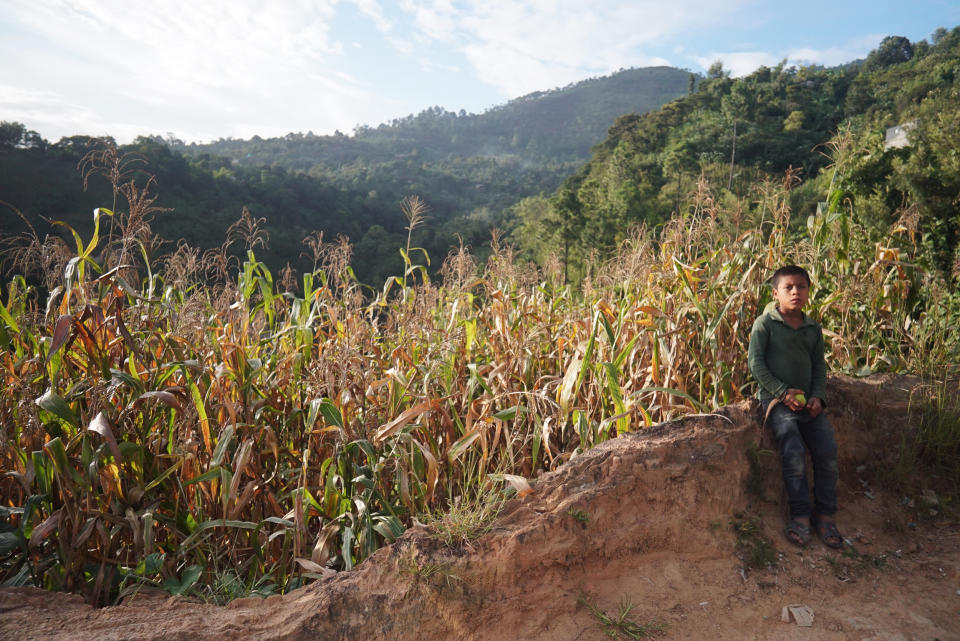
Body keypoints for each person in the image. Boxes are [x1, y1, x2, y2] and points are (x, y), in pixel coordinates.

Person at [748, 265, 842, 548]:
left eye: (801, 287)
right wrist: (782, 392)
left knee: (827, 452)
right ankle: (800, 516)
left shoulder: (813, 329)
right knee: (793, 450)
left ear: (808, 291)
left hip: (807, 405)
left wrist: (818, 397)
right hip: (776, 403)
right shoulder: (764, 325)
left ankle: (825, 515)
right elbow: (756, 364)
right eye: (788, 288)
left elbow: (818, 367)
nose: (795, 292)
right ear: (776, 293)